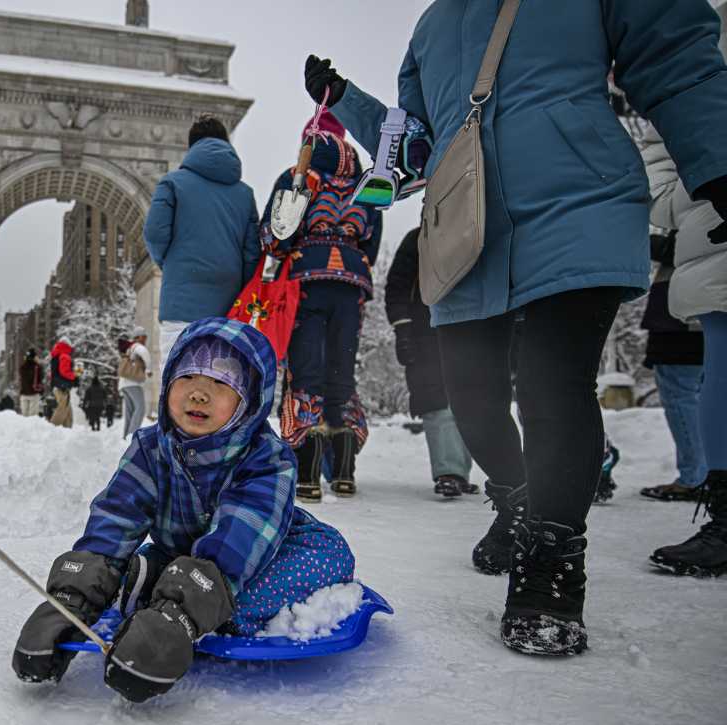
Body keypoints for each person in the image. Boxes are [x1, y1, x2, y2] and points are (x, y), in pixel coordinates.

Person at [305, 0, 727, 654]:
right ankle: (516, 501)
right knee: (468, 395)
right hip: (466, 226)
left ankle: (551, 560)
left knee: (553, 382)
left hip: (575, 201)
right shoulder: (432, 25)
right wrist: (344, 100)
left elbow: (672, 52)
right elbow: (413, 144)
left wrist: (718, 161)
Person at [12, 318, 355, 702]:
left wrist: (180, 615)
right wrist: (71, 599)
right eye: (188, 377)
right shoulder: (150, 448)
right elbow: (115, 519)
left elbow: (241, 536)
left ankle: (175, 605)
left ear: (250, 402)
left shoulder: (266, 458)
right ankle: (169, 592)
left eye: (221, 383)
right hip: (181, 553)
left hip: (257, 554)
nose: (199, 394)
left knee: (330, 552)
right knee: (126, 561)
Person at [260, 105, 381, 501]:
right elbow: (372, 241)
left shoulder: (299, 175)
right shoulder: (364, 181)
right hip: (351, 284)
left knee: (305, 371)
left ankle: (308, 476)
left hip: (306, 282)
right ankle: (344, 473)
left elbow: (275, 236)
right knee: (341, 374)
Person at [642, 121, 727, 576]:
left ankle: (696, 477)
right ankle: (716, 500)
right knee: (714, 375)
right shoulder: (702, 60)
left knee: (685, 386)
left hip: (697, 275)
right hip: (710, 257)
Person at [144, 115, 260, 367]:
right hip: (228, 310)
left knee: (179, 385)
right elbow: (252, 255)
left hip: (180, 305)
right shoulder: (245, 194)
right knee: (219, 388)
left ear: (192, 146)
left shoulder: (172, 183)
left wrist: (172, 264)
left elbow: (154, 234)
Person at [385, 228, 477, 498]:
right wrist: (402, 328)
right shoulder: (418, 239)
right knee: (433, 396)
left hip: (470, 325)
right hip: (425, 328)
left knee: (471, 399)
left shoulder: (476, 232)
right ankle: (450, 471)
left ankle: (460, 469)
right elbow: (397, 286)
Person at [639, 232, 706, 502]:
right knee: (701, 395)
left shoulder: (705, 201)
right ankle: (705, 475)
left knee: (680, 394)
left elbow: (687, 244)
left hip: (685, 314)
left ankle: (696, 478)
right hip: (696, 308)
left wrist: (643, 239)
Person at [117, 326, 150, 439]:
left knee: (130, 412)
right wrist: (148, 370)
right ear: (138, 337)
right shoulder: (137, 346)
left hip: (124, 384)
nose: (145, 339)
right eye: (144, 337)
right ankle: (131, 437)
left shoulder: (129, 348)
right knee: (141, 409)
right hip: (133, 383)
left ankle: (125, 437)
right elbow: (145, 353)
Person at [48, 336, 78, 428]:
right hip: (62, 386)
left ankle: (67, 431)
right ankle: (51, 429)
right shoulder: (64, 355)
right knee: (62, 409)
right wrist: (75, 375)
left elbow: (53, 373)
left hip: (58, 385)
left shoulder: (56, 355)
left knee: (68, 411)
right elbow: (64, 371)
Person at [18, 348, 42, 417]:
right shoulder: (37, 367)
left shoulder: (22, 367)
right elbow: (40, 379)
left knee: (24, 416)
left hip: (24, 393)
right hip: (34, 393)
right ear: (34, 357)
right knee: (32, 417)